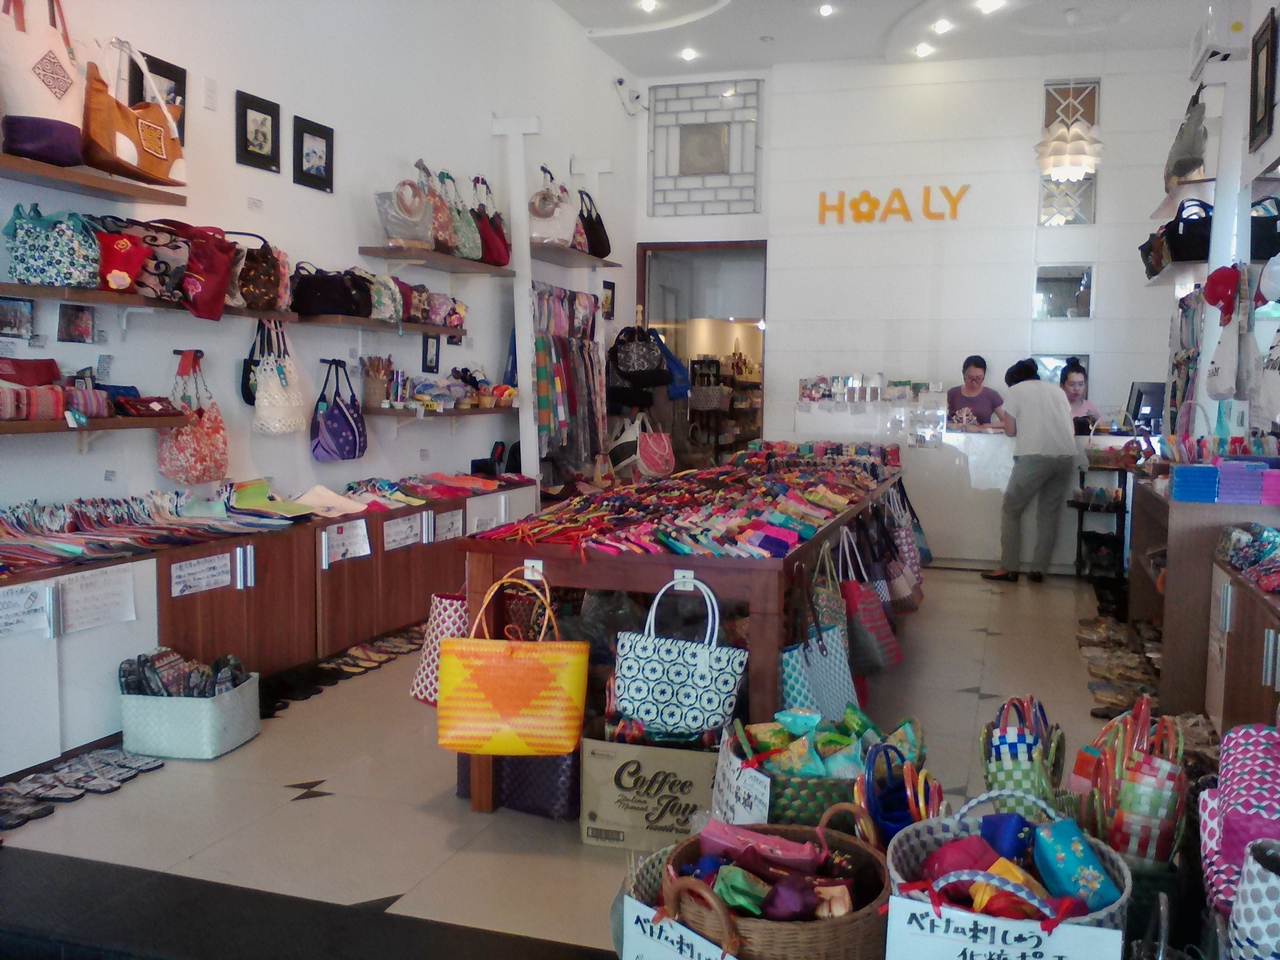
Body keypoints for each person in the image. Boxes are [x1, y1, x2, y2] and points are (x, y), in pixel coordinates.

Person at [981, 359, 1078, 584]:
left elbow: (1010, 431)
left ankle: (1009, 568)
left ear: (1013, 381)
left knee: (1011, 509)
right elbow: (1071, 428)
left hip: (1035, 456)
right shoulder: (1057, 391)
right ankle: (1038, 570)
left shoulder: (1015, 391)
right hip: (1066, 456)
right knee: (1048, 513)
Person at [946, 356, 1004, 430]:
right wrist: (948, 425)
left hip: (982, 435)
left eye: (978, 378)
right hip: (955, 435)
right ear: (963, 375)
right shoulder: (952, 393)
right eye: (970, 378)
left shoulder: (992, 395)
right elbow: (940, 418)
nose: (974, 382)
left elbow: (1007, 422)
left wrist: (986, 426)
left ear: (984, 376)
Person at [1060, 357, 1100, 428]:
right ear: (1062, 386)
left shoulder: (1091, 408)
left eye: (1080, 384)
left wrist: (1097, 419)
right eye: (1072, 384)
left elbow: (1103, 431)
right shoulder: (1058, 408)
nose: (1076, 388)